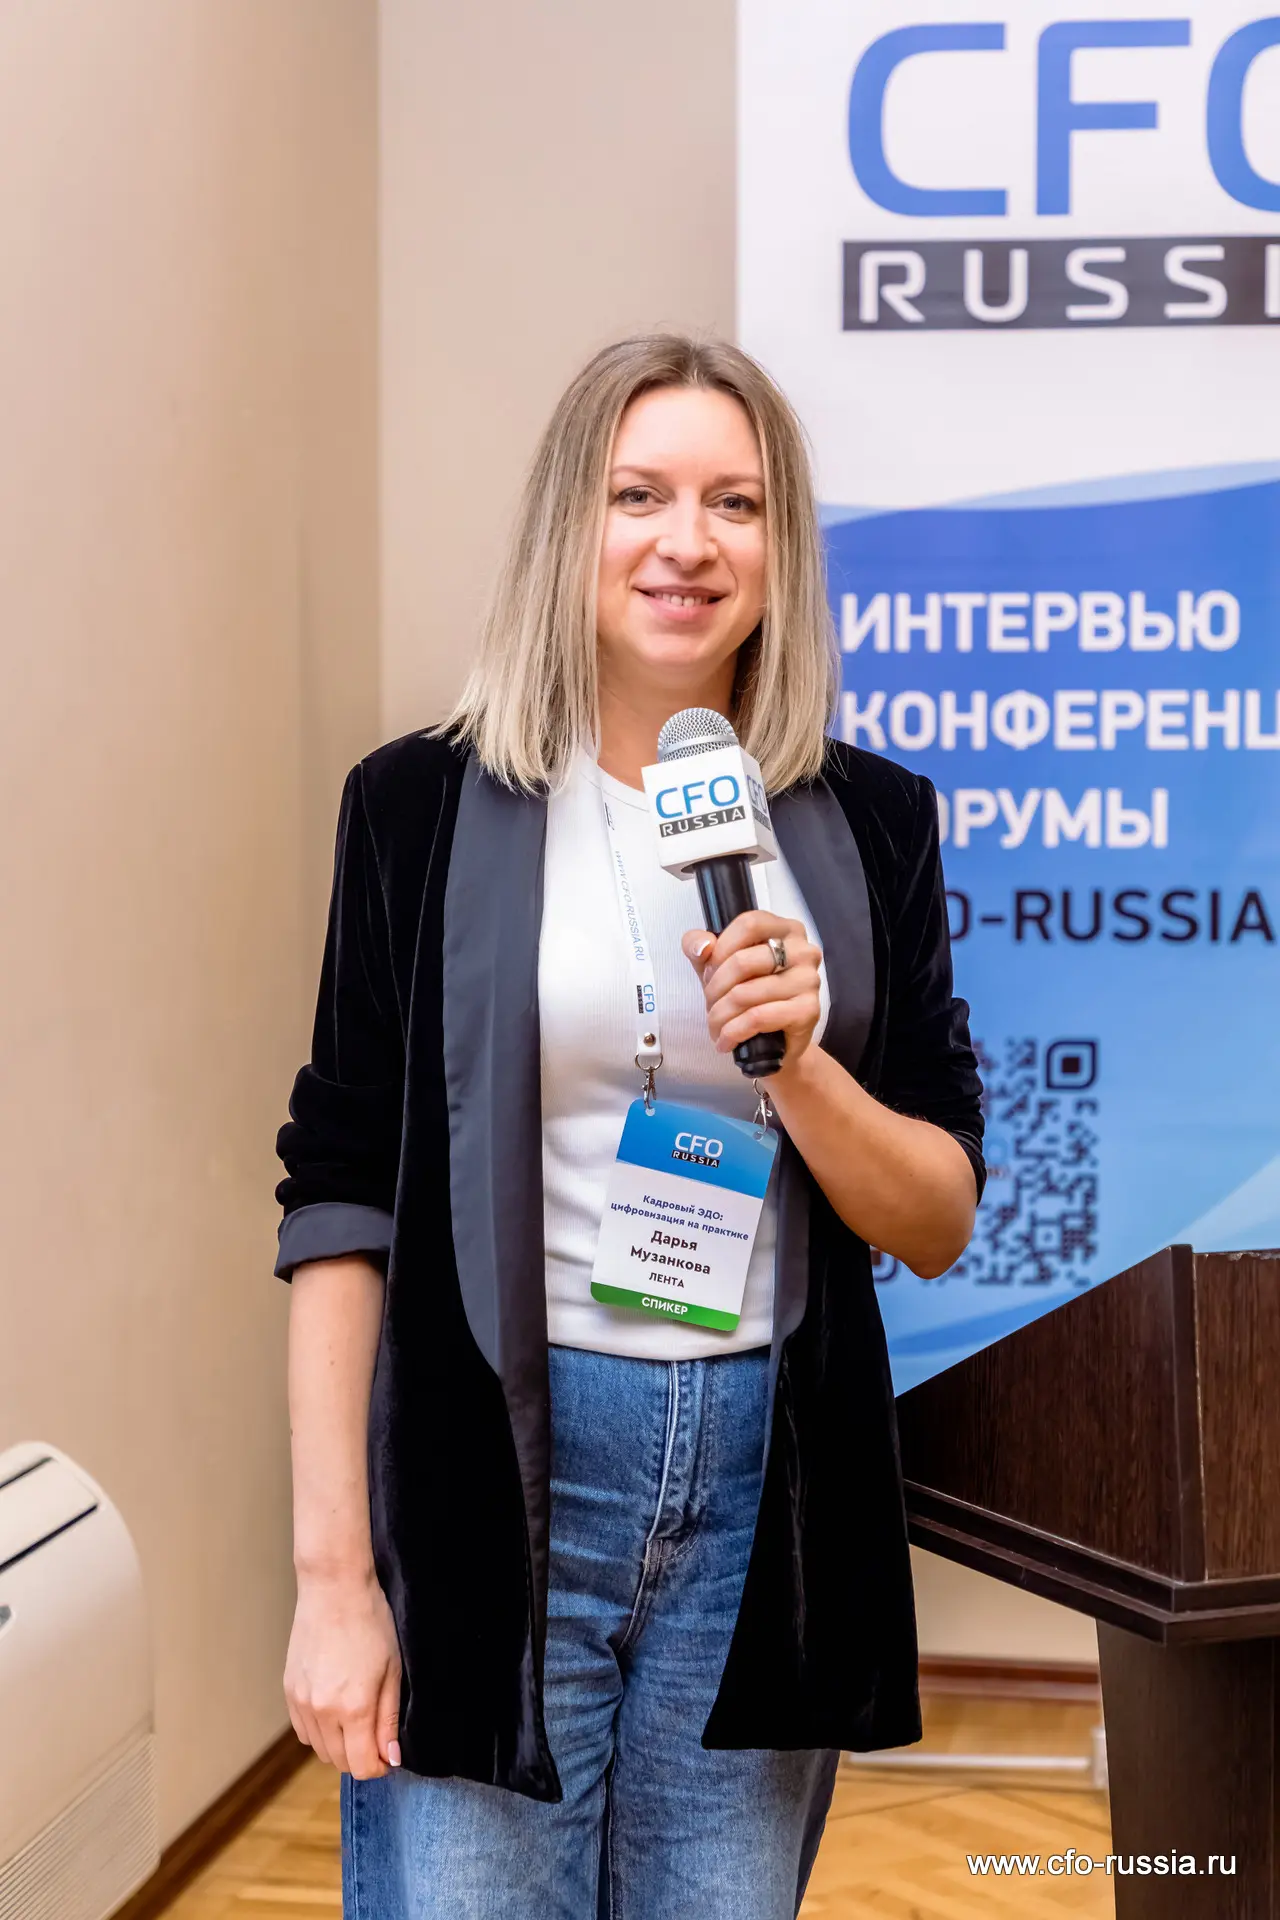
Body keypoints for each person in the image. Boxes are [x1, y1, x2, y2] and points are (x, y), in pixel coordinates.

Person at [274, 333, 985, 1920]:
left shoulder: (871, 821)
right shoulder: (416, 806)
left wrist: (797, 1063)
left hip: (761, 1498)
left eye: (737, 502)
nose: (689, 542)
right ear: (568, 526)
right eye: (640, 494)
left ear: (780, 547)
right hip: (492, 1479)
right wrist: (333, 1578)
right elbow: (338, 1202)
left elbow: (936, 1214)